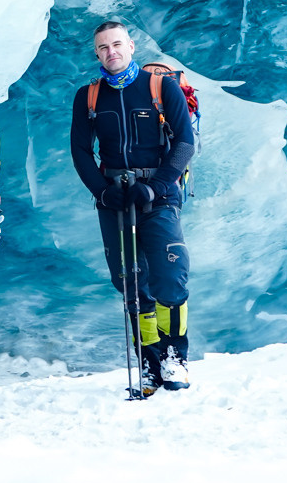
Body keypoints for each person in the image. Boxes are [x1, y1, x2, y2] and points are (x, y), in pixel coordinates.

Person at [71, 20, 194, 395]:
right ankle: (150, 363)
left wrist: (156, 187)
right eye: (103, 47)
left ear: (131, 46)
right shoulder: (89, 96)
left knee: (169, 277)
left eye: (117, 44)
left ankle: (174, 357)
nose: (111, 52)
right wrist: (102, 192)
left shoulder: (160, 87)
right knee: (131, 283)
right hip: (115, 198)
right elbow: (80, 150)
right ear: (97, 54)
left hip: (158, 195)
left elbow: (185, 143)